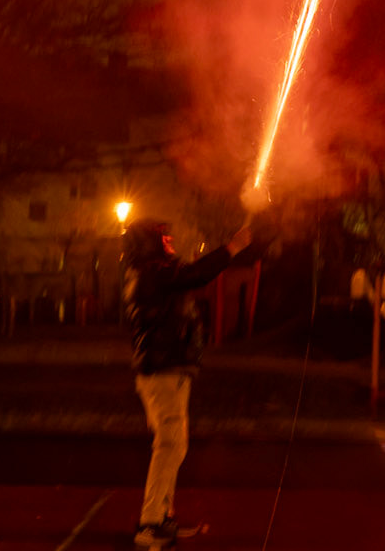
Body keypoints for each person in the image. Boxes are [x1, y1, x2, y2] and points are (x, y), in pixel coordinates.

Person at [123, 212, 270, 549]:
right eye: (163, 237)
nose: (170, 240)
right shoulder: (151, 273)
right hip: (163, 372)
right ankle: (150, 524)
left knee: (174, 445)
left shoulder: (152, 273)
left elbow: (188, 277)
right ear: (148, 244)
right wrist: (231, 248)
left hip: (168, 370)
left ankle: (161, 517)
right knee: (169, 446)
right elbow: (195, 275)